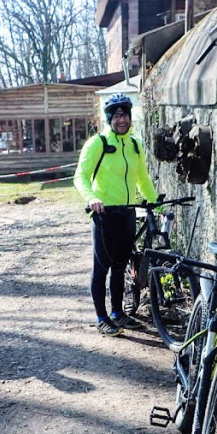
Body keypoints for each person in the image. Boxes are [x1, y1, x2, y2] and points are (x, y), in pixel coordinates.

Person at [73, 93, 158, 337]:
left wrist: (156, 203)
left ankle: (118, 313)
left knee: (120, 266)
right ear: (110, 118)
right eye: (117, 116)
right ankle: (101, 317)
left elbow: (142, 179)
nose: (122, 120)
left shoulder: (135, 145)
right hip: (104, 214)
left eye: (125, 115)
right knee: (102, 267)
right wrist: (92, 198)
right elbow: (80, 177)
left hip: (127, 213)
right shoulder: (97, 143)